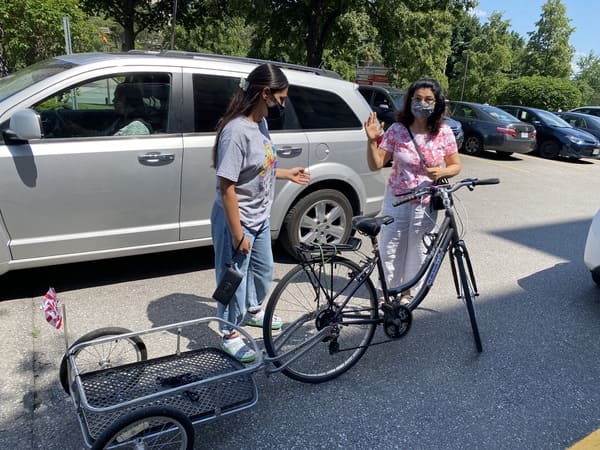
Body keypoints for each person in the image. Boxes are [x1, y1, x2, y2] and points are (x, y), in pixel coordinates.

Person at [211, 63, 310, 362]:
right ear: (265, 93)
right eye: (281, 98)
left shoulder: (260, 123)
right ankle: (229, 332)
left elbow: (260, 167)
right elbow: (227, 187)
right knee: (232, 277)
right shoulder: (235, 132)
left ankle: (252, 310)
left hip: (259, 216)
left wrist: (287, 172)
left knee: (264, 270)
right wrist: (238, 233)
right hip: (236, 219)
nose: (283, 104)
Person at [364, 78, 461, 304]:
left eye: (428, 99)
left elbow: (456, 164)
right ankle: (388, 292)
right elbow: (376, 163)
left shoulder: (444, 132)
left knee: (417, 248)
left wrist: (442, 172)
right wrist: (370, 141)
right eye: (417, 99)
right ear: (409, 102)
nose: (422, 104)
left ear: (437, 103)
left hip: (425, 202)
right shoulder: (398, 130)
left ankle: (407, 293)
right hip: (396, 200)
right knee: (390, 247)